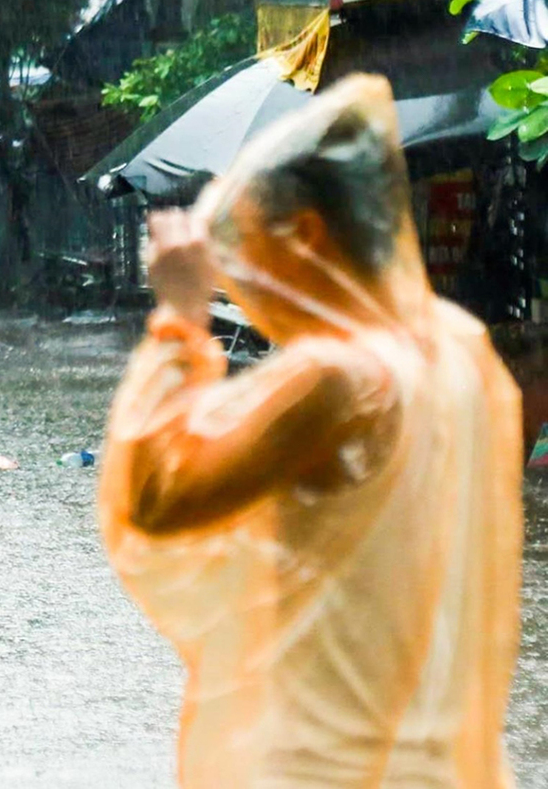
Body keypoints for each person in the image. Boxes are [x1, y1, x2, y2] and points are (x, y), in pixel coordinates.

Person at [97, 75, 523, 787]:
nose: (242, 283)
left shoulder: (338, 376)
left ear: (306, 235)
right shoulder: (459, 349)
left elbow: (155, 499)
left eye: (248, 251)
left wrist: (179, 318)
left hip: (327, 766)